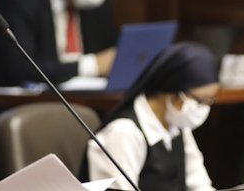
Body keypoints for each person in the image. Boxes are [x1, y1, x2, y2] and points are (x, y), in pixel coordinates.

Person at [86, 42, 220, 191]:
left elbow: (200, 185)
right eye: (201, 100)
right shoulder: (123, 133)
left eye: (210, 101)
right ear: (171, 92)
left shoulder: (178, 122)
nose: (205, 108)